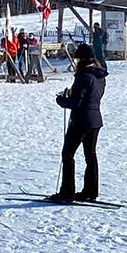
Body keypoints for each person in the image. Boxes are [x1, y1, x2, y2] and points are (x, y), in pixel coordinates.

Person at [48, 41, 106, 203]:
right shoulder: (100, 75)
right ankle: (90, 191)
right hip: (95, 120)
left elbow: (75, 102)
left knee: (68, 155)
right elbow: (90, 96)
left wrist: (61, 100)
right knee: (90, 155)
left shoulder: (83, 76)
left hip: (81, 120)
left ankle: (67, 192)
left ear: (82, 59)